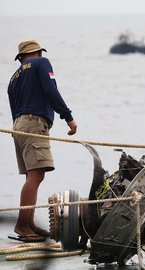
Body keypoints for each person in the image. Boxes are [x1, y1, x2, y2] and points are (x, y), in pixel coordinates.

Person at [7, 39, 77, 242]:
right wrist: (68, 117)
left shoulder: (14, 78)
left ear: (21, 57)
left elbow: (14, 108)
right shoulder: (41, 63)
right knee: (36, 176)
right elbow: (50, 89)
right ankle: (22, 225)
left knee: (32, 175)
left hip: (18, 127)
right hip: (34, 124)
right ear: (37, 53)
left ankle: (28, 224)